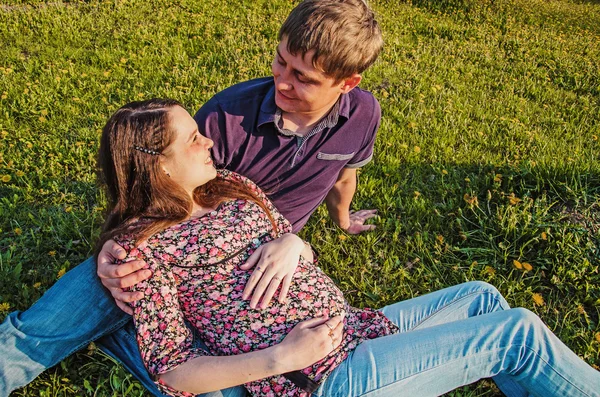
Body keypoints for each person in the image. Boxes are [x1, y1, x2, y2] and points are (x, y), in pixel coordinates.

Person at [0, 1, 384, 395]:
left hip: (262, 258)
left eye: (301, 77)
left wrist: (337, 221)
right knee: (41, 331)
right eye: (280, 60)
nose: (281, 81)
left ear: (346, 84)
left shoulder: (364, 114)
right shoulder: (227, 117)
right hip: (171, 250)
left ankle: (126, 341)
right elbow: (159, 186)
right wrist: (111, 249)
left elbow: (343, 175)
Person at [98, 98, 600, 397]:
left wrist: (296, 243)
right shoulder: (143, 253)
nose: (208, 141)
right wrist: (282, 356)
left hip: (357, 330)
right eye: (191, 140)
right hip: (323, 377)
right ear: (157, 166)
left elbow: (289, 243)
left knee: (483, 298)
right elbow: (172, 371)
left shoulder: (229, 185)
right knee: (517, 332)